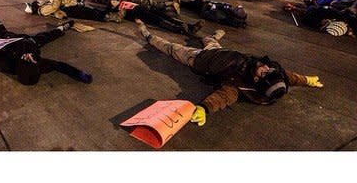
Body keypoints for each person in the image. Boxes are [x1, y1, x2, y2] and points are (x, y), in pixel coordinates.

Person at [134, 21, 323, 126]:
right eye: (271, 70)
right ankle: (212, 37)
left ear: (257, 79)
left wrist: (204, 108)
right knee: (210, 42)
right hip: (221, 52)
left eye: (265, 72)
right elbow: (290, 76)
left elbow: (223, 97)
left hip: (198, 59)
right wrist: (307, 80)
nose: (267, 67)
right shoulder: (274, 73)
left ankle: (148, 35)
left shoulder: (238, 84)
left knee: (171, 48)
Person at [0, 13, 92, 86]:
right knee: (51, 35)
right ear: (36, 64)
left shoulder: (7, 64)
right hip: (33, 42)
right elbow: (60, 66)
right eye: (31, 60)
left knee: (2, 31)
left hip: (12, 41)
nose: (27, 56)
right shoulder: (41, 65)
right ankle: (67, 25)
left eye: (24, 59)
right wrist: (79, 74)